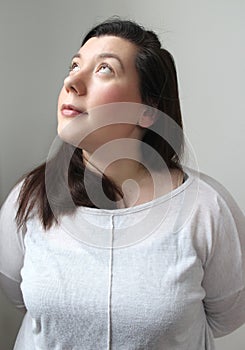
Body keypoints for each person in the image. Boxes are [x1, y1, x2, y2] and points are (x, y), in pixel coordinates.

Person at [0, 18, 245, 350]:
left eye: (104, 70)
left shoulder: (206, 209)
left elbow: (228, 313)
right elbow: (18, 293)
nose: (72, 81)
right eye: (74, 65)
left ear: (147, 111)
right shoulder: (28, 198)